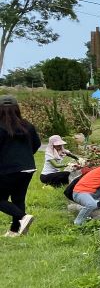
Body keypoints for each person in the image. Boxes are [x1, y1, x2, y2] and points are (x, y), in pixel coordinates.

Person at [0, 95, 41, 236]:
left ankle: (23, 217)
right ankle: (15, 230)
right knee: (18, 199)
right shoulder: (27, 125)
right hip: (28, 168)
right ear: (17, 108)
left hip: (7, 170)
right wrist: (25, 158)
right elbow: (37, 145)